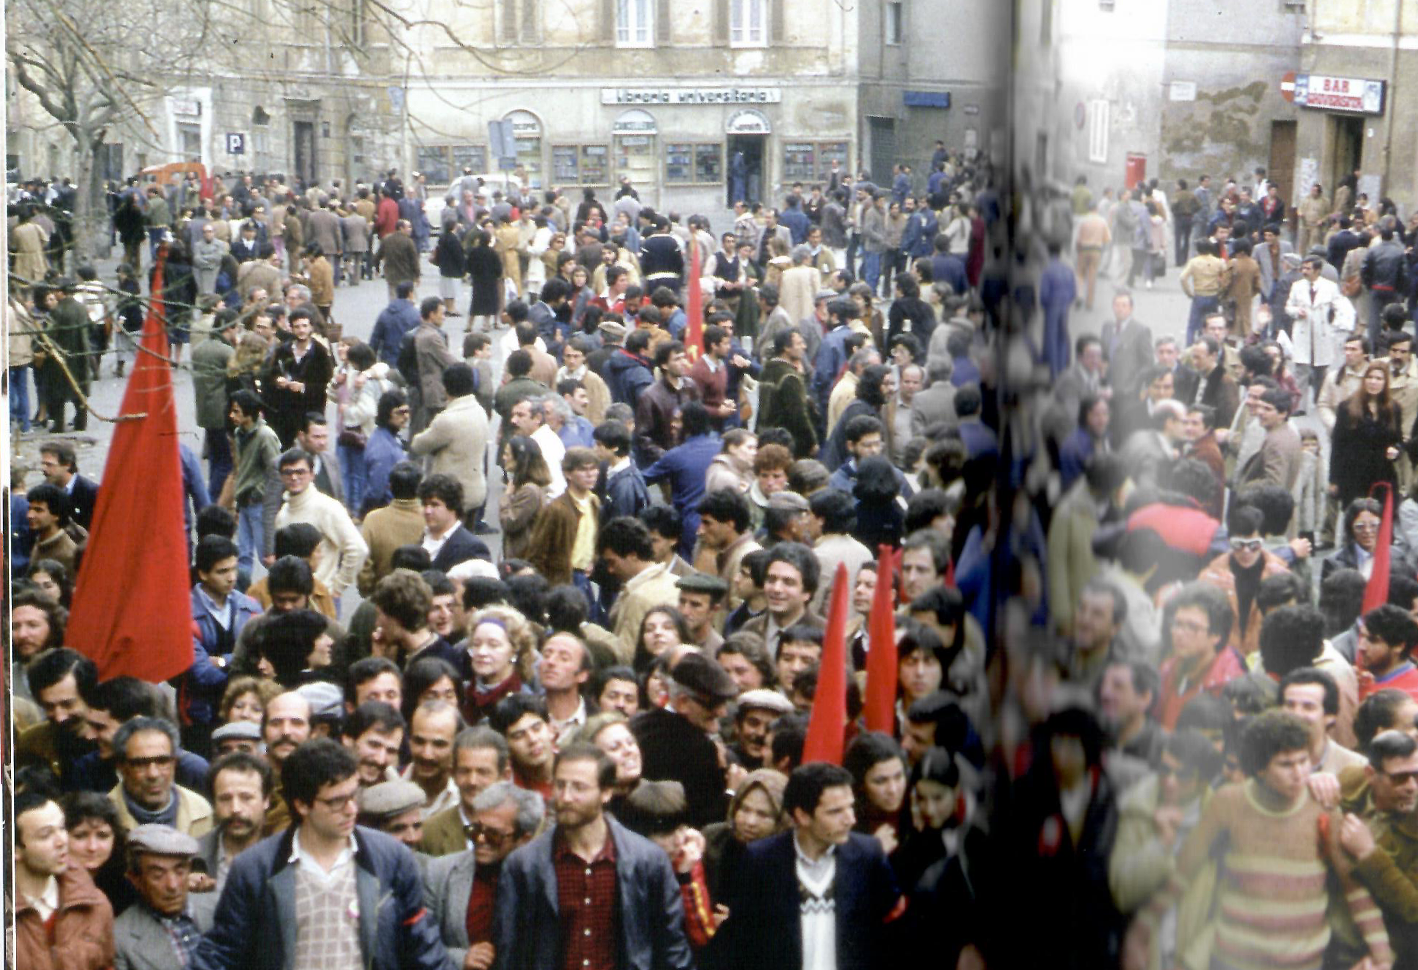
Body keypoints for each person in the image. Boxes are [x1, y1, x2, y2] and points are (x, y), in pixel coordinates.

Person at [192, 739, 452, 970]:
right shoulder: (255, 869)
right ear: (302, 805)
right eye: (336, 801)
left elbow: (424, 947)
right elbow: (222, 953)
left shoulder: (391, 858)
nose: (351, 809)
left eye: (353, 795)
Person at [1171, 711, 1393, 968]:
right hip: (1235, 958)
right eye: (1286, 765)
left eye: (1304, 761)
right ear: (1260, 768)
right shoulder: (1228, 803)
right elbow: (1183, 873)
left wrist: (1382, 956)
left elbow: (1353, 887)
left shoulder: (1324, 807)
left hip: (1304, 961)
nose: (1299, 773)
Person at [491, 742, 693, 970]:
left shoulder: (647, 860)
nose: (565, 797)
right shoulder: (524, 865)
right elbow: (509, 952)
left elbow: (672, 946)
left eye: (579, 787)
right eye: (560, 785)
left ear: (606, 793)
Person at [717, 762, 903, 970]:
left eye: (850, 807)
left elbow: (892, 934)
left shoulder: (868, 855)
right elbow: (742, 943)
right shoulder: (761, 860)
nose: (850, 819)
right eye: (835, 812)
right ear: (803, 815)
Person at [424, 781, 544, 970]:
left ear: (524, 839)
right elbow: (418, 943)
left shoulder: (542, 881)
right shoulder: (440, 872)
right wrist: (461, 958)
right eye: (475, 830)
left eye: (493, 835)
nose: (480, 840)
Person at [15, 791, 115, 970]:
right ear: (14, 850)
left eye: (62, 828)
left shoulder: (96, 904)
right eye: (45, 835)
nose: (61, 841)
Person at [112, 824, 217, 970]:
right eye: (158, 875)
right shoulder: (120, 937)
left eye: (180, 871)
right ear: (135, 879)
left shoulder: (218, 907)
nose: (172, 885)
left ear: (189, 869)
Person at [109, 717, 215, 837]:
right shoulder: (104, 818)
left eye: (162, 761)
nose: (153, 774)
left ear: (175, 763)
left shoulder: (201, 811)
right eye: (140, 764)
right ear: (122, 767)